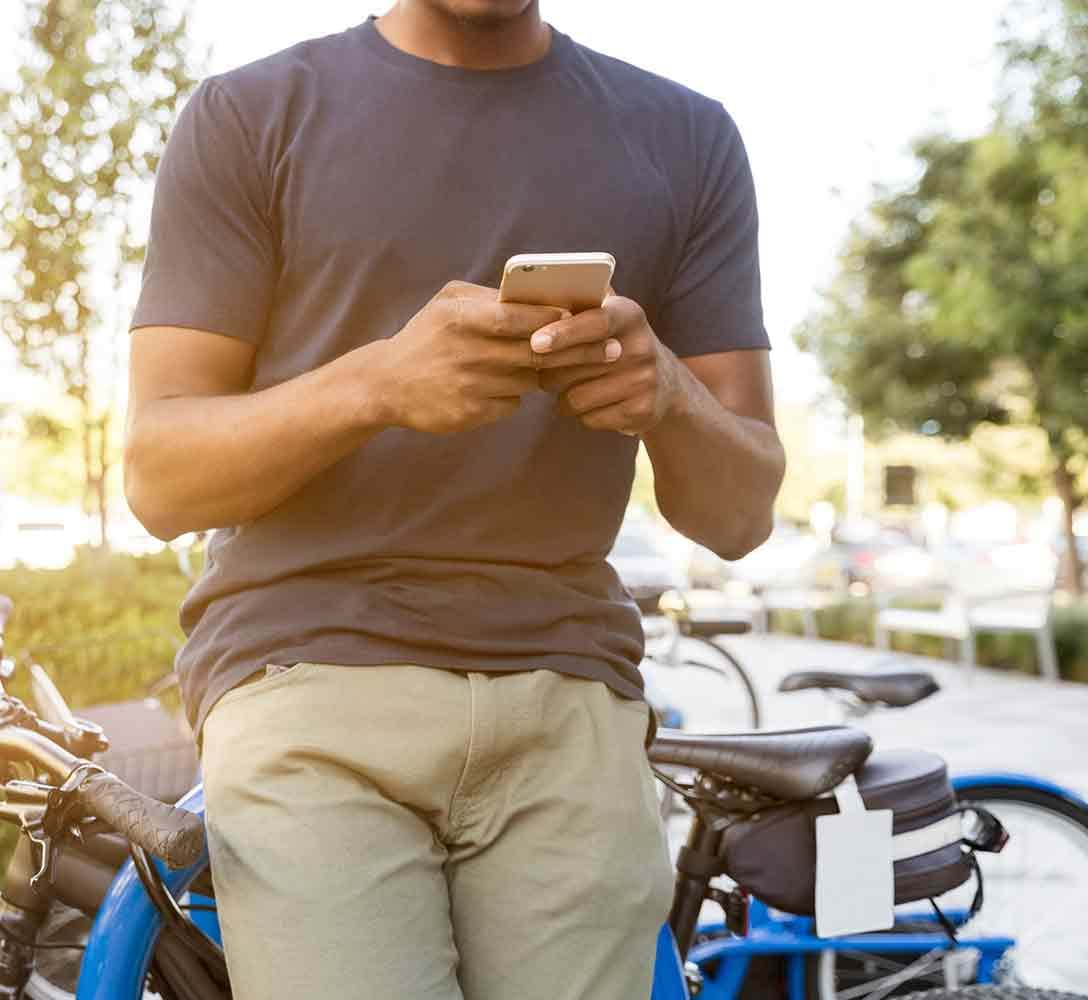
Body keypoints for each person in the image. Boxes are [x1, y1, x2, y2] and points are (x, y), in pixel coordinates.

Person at [123, 1, 785, 996]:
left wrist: (668, 395)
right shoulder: (248, 116)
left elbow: (739, 514)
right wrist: (376, 385)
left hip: (568, 695)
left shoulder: (684, 137)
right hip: (310, 677)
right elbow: (159, 476)